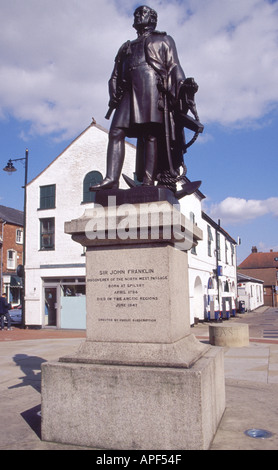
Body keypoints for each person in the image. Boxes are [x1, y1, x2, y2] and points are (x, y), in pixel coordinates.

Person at [90, 5, 197, 192]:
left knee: (151, 134)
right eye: (136, 13)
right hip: (128, 93)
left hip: (151, 90)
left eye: (143, 13)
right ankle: (111, 179)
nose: (138, 16)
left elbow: (174, 66)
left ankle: (148, 182)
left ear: (153, 19)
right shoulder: (126, 47)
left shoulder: (164, 40)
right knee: (116, 131)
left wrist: (183, 87)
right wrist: (113, 89)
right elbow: (115, 72)